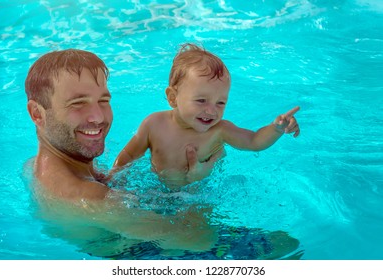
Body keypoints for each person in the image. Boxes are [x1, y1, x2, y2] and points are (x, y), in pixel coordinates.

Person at [24, 49, 218, 253]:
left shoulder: (35, 166)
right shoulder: (90, 199)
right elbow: (199, 239)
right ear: (37, 114)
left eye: (103, 101)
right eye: (78, 104)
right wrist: (194, 183)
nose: (98, 117)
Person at [112, 43, 300, 187]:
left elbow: (254, 142)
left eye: (220, 103)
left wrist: (276, 128)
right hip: (155, 190)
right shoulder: (153, 124)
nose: (212, 111)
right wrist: (113, 179)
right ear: (172, 98)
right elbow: (129, 154)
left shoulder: (219, 131)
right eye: (201, 101)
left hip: (196, 197)